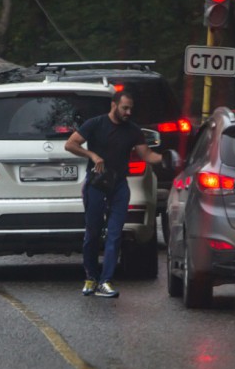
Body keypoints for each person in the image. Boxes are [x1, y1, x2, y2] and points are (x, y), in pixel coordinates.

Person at [65, 91, 163, 298]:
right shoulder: (95, 124)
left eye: (130, 109)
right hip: (96, 184)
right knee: (92, 234)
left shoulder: (132, 130)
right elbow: (70, 144)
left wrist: (165, 158)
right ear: (114, 105)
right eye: (124, 108)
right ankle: (91, 277)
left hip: (119, 186)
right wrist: (91, 154)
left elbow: (146, 154)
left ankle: (106, 281)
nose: (128, 112)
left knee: (115, 233)